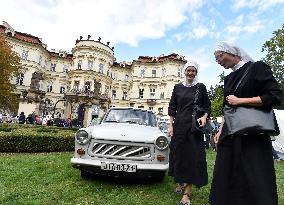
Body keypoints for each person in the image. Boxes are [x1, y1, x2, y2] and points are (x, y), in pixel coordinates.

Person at [210, 41, 283, 205]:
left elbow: (275, 96)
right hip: (231, 133)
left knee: (254, 175)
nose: (218, 61)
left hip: (253, 133)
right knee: (227, 174)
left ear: (233, 53)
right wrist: (221, 130)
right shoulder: (228, 78)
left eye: (220, 56)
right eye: (216, 59)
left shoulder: (257, 68)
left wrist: (241, 101)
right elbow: (226, 107)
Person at [168, 61, 211, 205]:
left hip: (194, 128)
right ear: (184, 71)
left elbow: (207, 107)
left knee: (192, 157)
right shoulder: (177, 87)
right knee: (179, 156)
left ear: (196, 72)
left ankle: (187, 194)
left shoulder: (201, 87)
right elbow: (172, 108)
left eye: (193, 71)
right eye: (188, 70)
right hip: (179, 126)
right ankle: (180, 182)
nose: (191, 73)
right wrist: (170, 125)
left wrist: (204, 117)